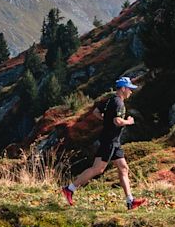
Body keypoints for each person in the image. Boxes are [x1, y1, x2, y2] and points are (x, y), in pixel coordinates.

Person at [61, 76, 148, 210]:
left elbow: (96, 112)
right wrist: (128, 122)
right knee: (98, 169)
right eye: (129, 89)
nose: (131, 91)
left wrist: (106, 119)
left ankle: (130, 201)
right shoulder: (119, 103)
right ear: (123, 89)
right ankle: (69, 189)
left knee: (123, 168)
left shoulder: (109, 100)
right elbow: (117, 121)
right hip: (109, 141)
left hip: (114, 141)